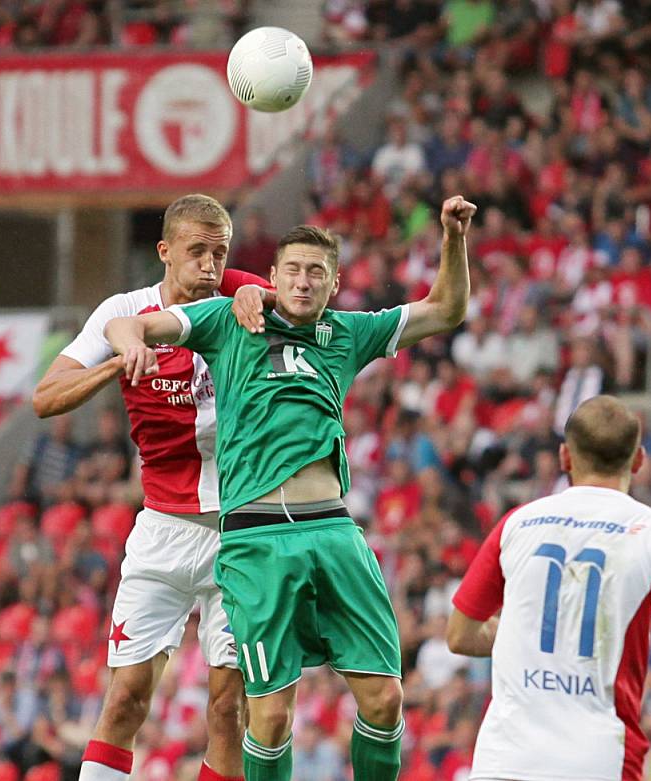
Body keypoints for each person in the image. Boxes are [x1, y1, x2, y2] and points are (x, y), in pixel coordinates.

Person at [103, 194, 477, 781]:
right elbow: (129, 321)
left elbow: (446, 309)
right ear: (272, 279)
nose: (304, 282)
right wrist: (130, 344)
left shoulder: (350, 333)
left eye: (318, 273)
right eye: (294, 271)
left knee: (386, 701)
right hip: (255, 541)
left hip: (332, 530)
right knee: (269, 717)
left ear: (333, 286)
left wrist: (453, 239)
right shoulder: (227, 319)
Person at [32, 194, 274, 781]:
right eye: (197, 253)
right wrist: (118, 361)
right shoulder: (125, 310)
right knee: (126, 699)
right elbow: (45, 398)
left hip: (241, 533)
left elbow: (292, 293)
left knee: (226, 709)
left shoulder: (238, 296)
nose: (210, 266)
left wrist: (257, 291)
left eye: (220, 253)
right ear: (165, 252)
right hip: (163, 528)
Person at [447, 395, 651, 781]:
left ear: (564, 457)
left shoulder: (518, 523)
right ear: (639, 460)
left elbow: (460, 635)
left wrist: (520, 633)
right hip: (598, 760)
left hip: (505, 760)